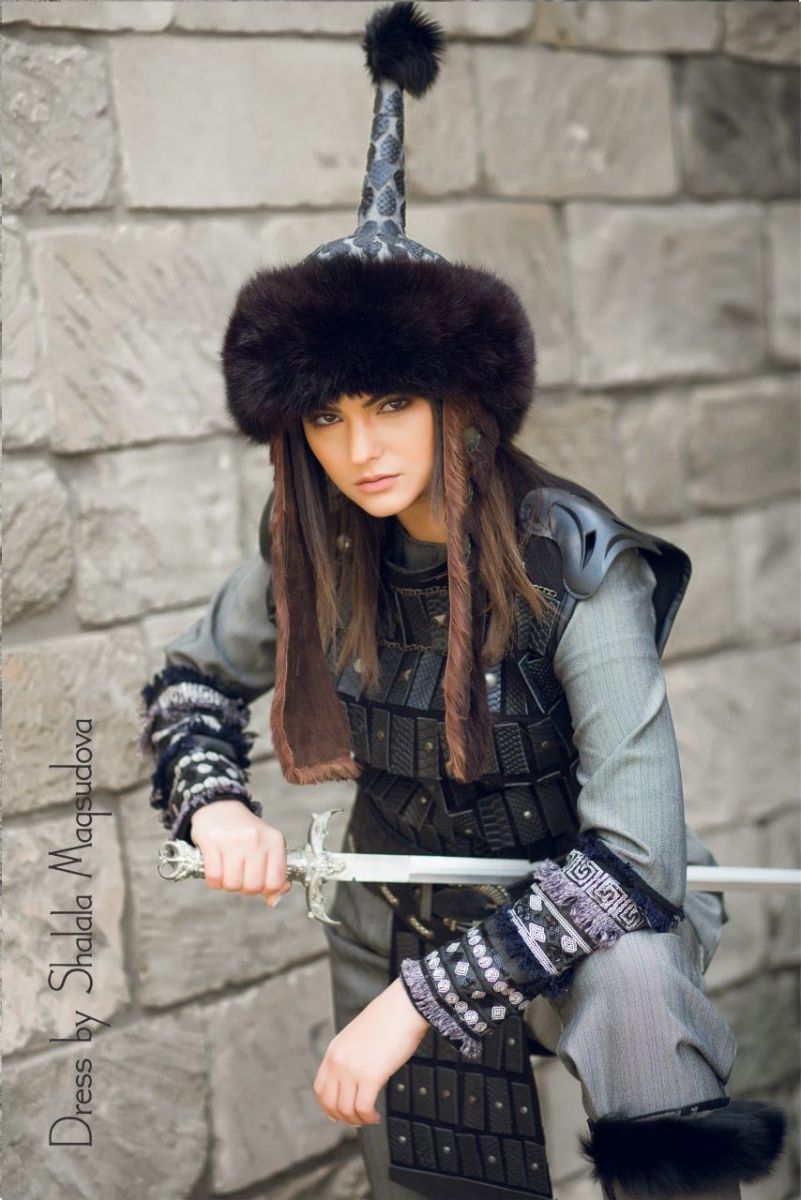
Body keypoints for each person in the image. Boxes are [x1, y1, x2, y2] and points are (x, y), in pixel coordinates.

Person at [138, 5, 786, 1198]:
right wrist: (212, 801)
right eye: (326, 415)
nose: (358, 450)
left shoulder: (580, 566)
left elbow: (634, 863)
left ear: (458, 402)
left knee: (640, 978)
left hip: (593, 926)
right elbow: (190, 677)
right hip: (403, 911)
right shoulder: (316, 545)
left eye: (390, 403)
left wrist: (415, 1005)